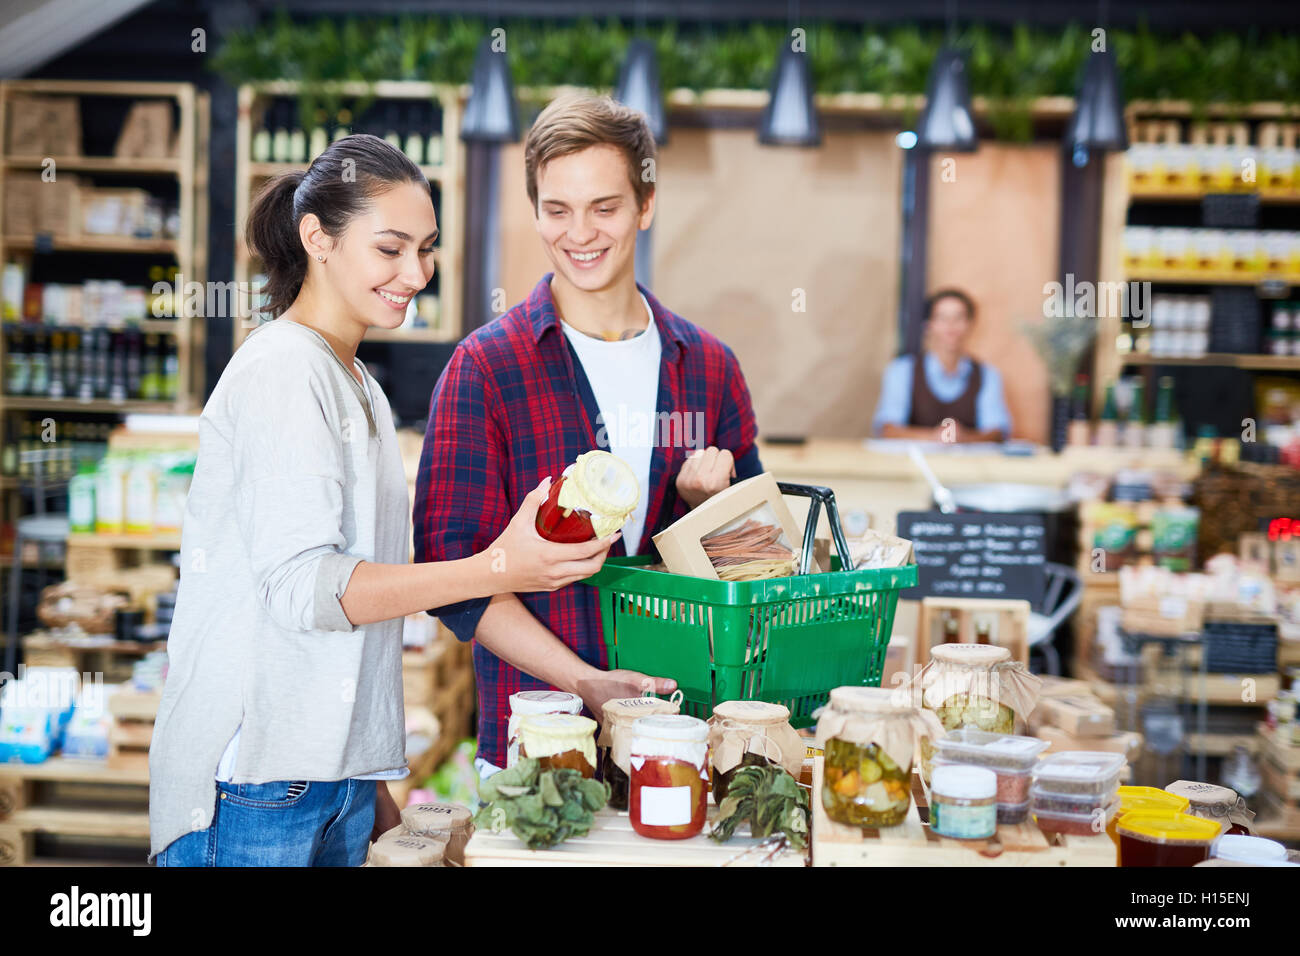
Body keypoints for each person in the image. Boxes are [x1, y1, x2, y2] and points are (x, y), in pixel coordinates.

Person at [148, 135, 616, 867]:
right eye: (391, 248)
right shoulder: (280, 372)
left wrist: (374, 783)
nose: (417, 273)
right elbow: (310, 589)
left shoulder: (357, 383)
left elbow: (361, 612)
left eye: (426, 250)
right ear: (318, 239)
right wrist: (501, 566)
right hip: (253, 784)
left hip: (333, 782)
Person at [415, 93, 763, 779]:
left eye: (604, 207)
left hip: (688, 742)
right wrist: (584, 682)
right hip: (541, 755)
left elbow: (759, 566)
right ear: (535, 209)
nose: (581, 233)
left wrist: (704, 512)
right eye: (557, 209)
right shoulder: (486, 368)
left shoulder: (711, 368)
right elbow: (453, 578)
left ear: (646, 205)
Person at [873, 288, 1012, 442]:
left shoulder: (988, 375)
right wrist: (933, 437)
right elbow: (887, 429)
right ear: (928, 325)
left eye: (958, 318)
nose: (950, 326)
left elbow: (997, 432)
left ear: (970, 324)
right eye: (942, 318)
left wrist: (964, 438)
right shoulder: (902, 371)